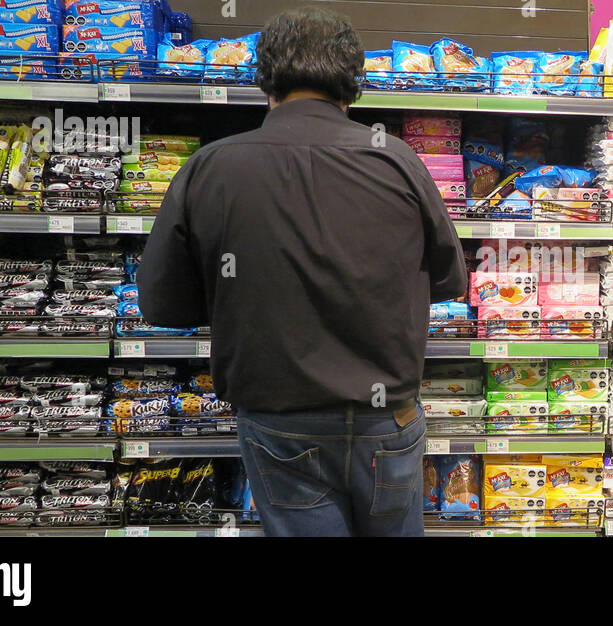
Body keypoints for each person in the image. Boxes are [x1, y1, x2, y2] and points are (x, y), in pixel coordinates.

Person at [138, 6, 467, 537]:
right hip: (386, 419)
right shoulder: (399, 161)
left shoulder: (211, 166)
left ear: (263, 76)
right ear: (353, 82)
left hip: (278, 420)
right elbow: (450, 281)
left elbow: (162, 305)